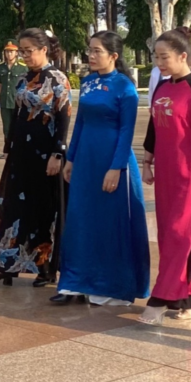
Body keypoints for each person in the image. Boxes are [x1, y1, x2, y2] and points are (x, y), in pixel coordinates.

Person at [54, 31, 150, 305]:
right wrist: (71, 159)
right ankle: (76, 283)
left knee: (110, 224)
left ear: (114, 56)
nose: (91, 55)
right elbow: (81, 123)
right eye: (90, 50)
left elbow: (126, 130)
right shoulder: (87, 83)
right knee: (82, 220)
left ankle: (112, 285)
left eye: (97, 51)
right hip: (85, 160)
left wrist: (116, 167)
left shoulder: (125, 87)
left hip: (112, 160)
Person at [138, 28, 191, 324]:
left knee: (181, 234)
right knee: (168, 235)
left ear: (183, 56)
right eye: (157, 57)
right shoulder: (162, 87)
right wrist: (147, 163)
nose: (159, 63)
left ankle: (162, 297)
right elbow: (154, 129)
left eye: (165, 57)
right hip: (165, 173)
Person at [0, 29, 69, 288]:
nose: (25, 55)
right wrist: (9, 145)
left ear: (44, 50)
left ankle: (45, 269)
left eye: (29, 50)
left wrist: (57, 154)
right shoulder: (22, 78)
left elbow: (63, 118)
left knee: (41, 210)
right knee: (12, 207)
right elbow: (19, 113)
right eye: (22, 51)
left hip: (45, 156)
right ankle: (8, 265)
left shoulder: (57, 79)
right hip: (21, 154)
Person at [0, 42, 28, 159]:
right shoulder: (1, 67)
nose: (9, 54)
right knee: (7, 127)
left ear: (16, 53)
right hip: (5, 101)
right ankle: (7, 151)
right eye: (7, 51)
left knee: (18, 126)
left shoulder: (23, 68)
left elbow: (26, 85)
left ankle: (18, 150)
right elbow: (0, 86)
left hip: (17, 102)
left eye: (11, 51)